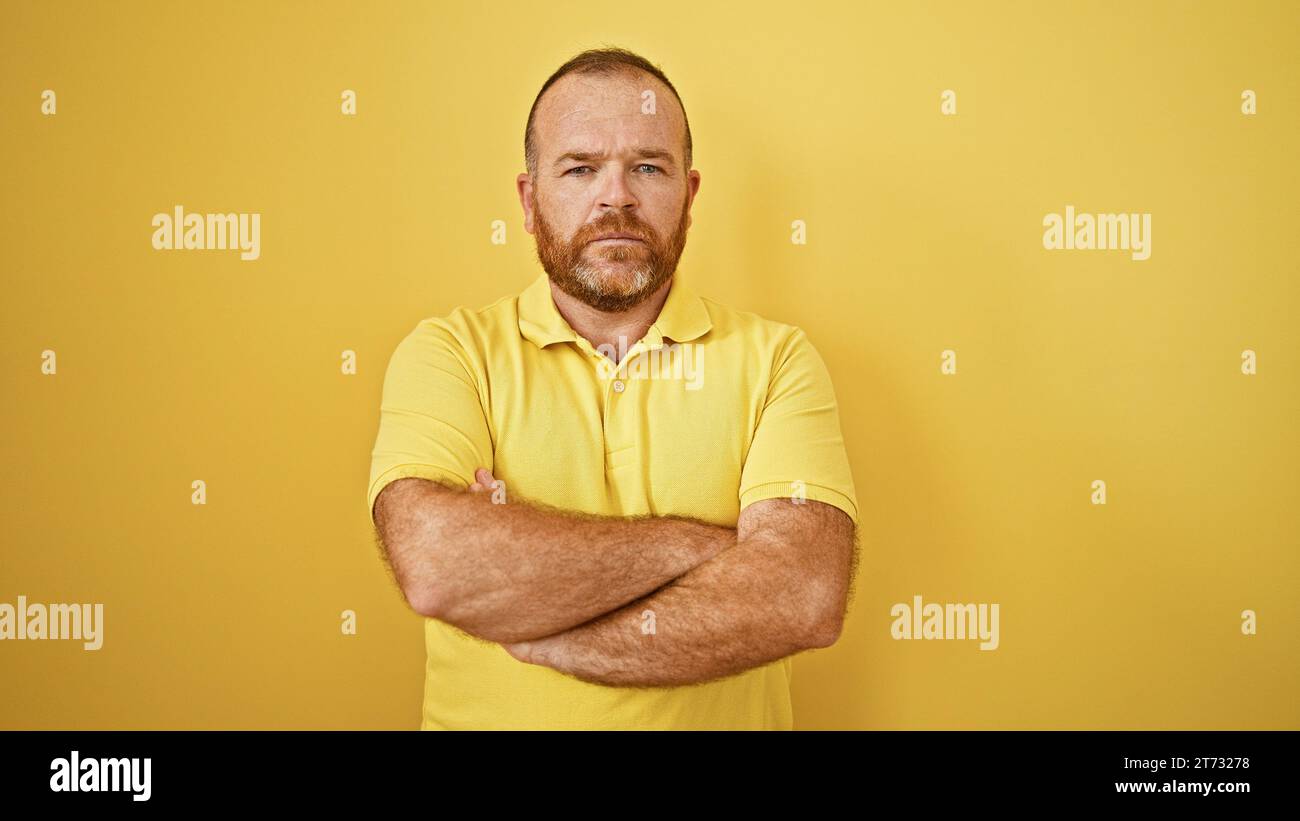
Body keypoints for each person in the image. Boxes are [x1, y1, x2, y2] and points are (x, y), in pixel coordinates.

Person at [367, 46, 860, 729]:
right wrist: (701, 547)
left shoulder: (778, 360)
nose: (616, 195)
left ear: (687, 197)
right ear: (529, 198)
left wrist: (541, 630)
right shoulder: (447, 353)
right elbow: (438, 564)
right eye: (580, 168)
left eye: (647, 167)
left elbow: (801, 594)